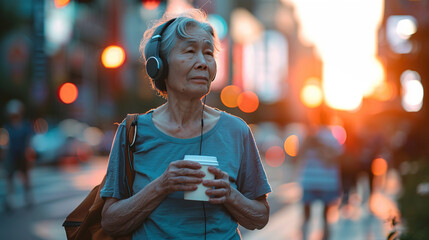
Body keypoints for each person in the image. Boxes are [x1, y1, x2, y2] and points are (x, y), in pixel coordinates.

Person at [100, 9, 271, 239]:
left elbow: (260, 217)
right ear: (159, 65)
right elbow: (110, 222)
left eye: (208, 53)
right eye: (190, 51)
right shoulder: (132, 131)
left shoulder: (237, 131)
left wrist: (230, 194)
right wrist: (162, 186)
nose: (202, 62)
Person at [297, 123, 342, 240]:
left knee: (307, 215)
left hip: (309, 180)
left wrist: (318, 145)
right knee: (325, 216)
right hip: (327, 181)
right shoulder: (332, 136)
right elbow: (338, 156)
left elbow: (297, 155)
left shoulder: (306, 135)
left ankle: (304, 237)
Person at [2, 99, 34, 210]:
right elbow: (5, 142)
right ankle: (10, 200)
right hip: (11, 156)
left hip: (22, 155)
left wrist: (27, 152)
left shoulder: (25, 126)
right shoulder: (8, 127)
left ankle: (28, 198)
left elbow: (28, 141)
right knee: (10, 177)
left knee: (25, 176)